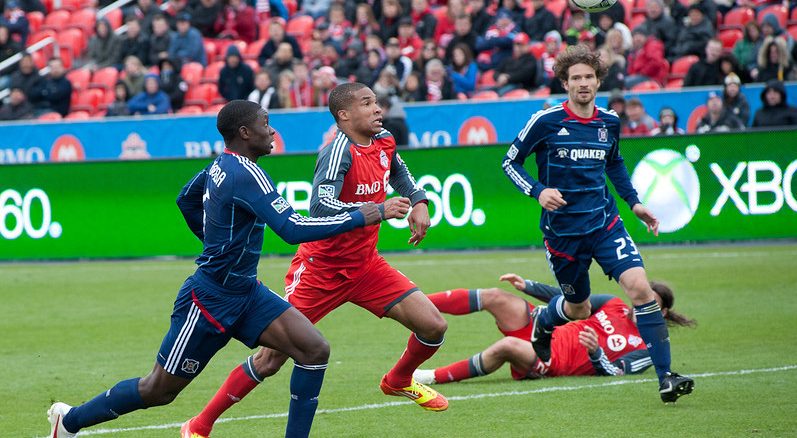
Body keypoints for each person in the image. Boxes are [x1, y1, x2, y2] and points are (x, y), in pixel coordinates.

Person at [47, 100, 393, 438]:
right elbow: (292, 229)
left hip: (246, 292)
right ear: (245, 132)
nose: (271, 130)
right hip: (209, 300)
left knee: (313, 349)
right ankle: (70, 422)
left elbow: (186, 198)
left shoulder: (221, 164)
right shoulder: (247, 174)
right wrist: (363, 214)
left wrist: (215, 243)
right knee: (158, 390)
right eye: (264, 123)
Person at [182, 83, 448, 437]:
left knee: (433, 326)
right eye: (367, 103)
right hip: (320, 270)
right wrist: (376, 211)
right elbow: (321, 207)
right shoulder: (337, 153)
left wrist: (418, 199)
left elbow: (397, 170)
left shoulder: (384, 139)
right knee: (272, 358)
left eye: (376, 102)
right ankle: (200, 424)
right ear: (344, 115)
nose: (377, 109)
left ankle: (398, 380)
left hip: (366, 265)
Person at [501, 44, 694, 403]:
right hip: (563, 234)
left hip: (605, 224)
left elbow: (615, 164)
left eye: (589, 77)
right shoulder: (545, 121)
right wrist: (538, 191)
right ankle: (545, 319)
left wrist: (634, 203)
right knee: (579, 310)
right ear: (565, 83)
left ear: (598, 80)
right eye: (575, 78)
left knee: (640, 288)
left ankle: (666, 378)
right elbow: (510, 163)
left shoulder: (609, 122)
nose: (583, 83)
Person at [414, 274, 696, 384]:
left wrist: (596, 352)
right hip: (543, 330)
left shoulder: (648, 347)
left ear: (662, 312)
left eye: (649, 304)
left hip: (551, 360)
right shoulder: (614, 304)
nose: (639, 306)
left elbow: (617, 372)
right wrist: (530, 287)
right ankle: (413, 302)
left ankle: (430, 377)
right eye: (640, 299)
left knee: (507, 348)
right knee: (495, 297)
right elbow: (573, 303)